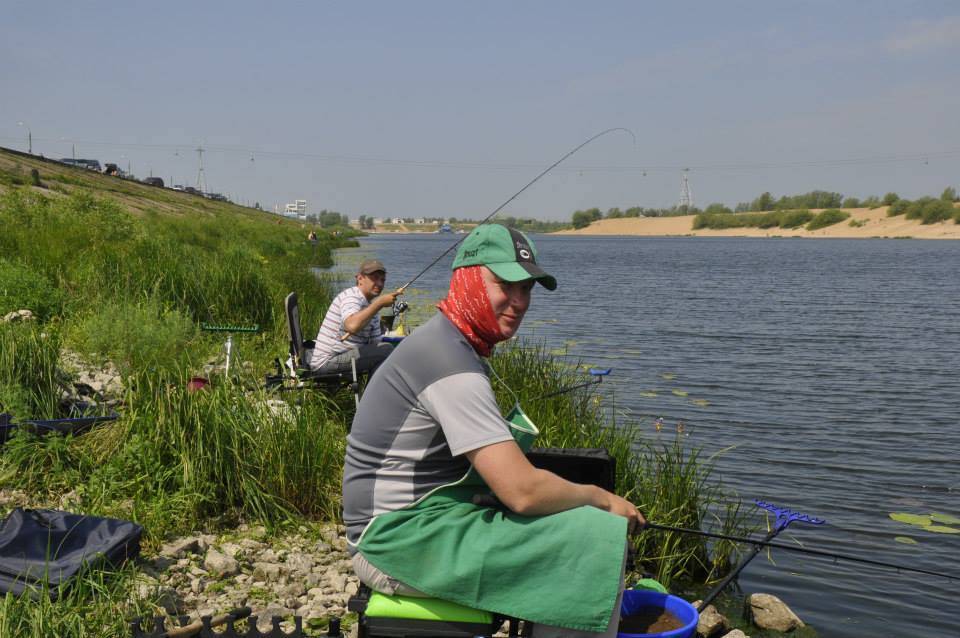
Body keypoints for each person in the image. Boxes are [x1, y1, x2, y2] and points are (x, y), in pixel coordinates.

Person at [343, 224, 645, 638]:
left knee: (577, 523)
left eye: (528, 289)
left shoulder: (449, 343)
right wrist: (603, 500)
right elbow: (522, 493)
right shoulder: (448, 360)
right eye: (505, 284)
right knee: (593, 536)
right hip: (393, 541)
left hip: (421, 521)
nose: (519, 301)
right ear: (466, 278)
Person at [309, 259, 401, 376]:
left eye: (382, 280)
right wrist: (380, 303)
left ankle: (371, 392)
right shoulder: (351, 297)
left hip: (343, 357)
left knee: (386, 351)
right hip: (326, 362)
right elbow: (351, 326)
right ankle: (372, 393)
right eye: (375, 278)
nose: (379, 283)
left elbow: (375, 344)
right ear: (360, 278)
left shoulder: (370, 307)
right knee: (386, 350)